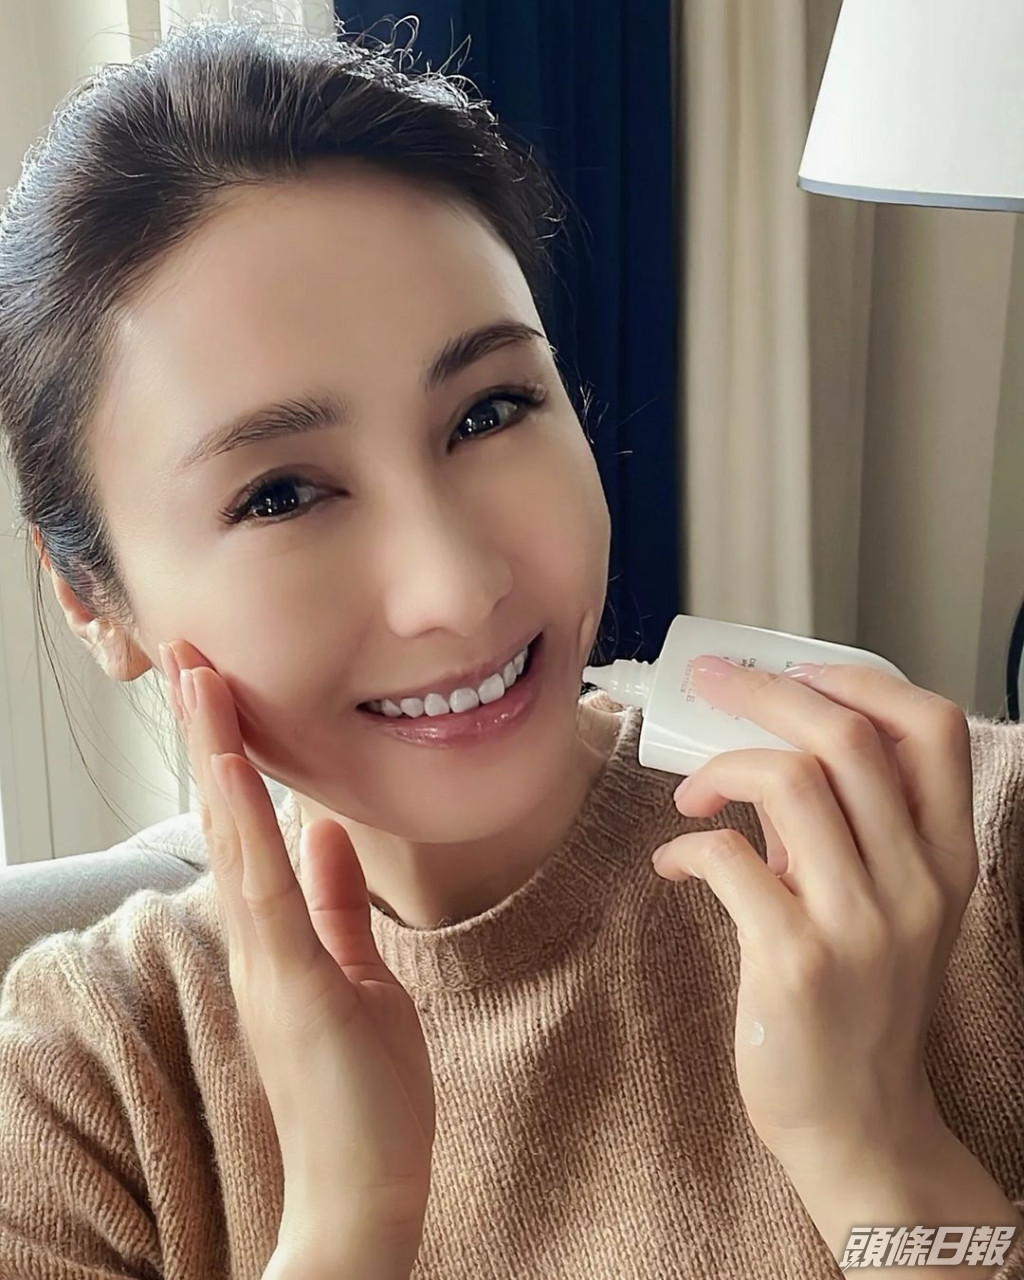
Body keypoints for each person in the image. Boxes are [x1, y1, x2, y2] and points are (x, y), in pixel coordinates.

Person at [1, 16, 1024, 1280]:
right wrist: (348, 1219)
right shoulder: (90, 1084)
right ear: (92, 599)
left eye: (490, 410)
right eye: (280, 493)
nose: (456, 586)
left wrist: (875, 1147)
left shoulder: (974, 856)